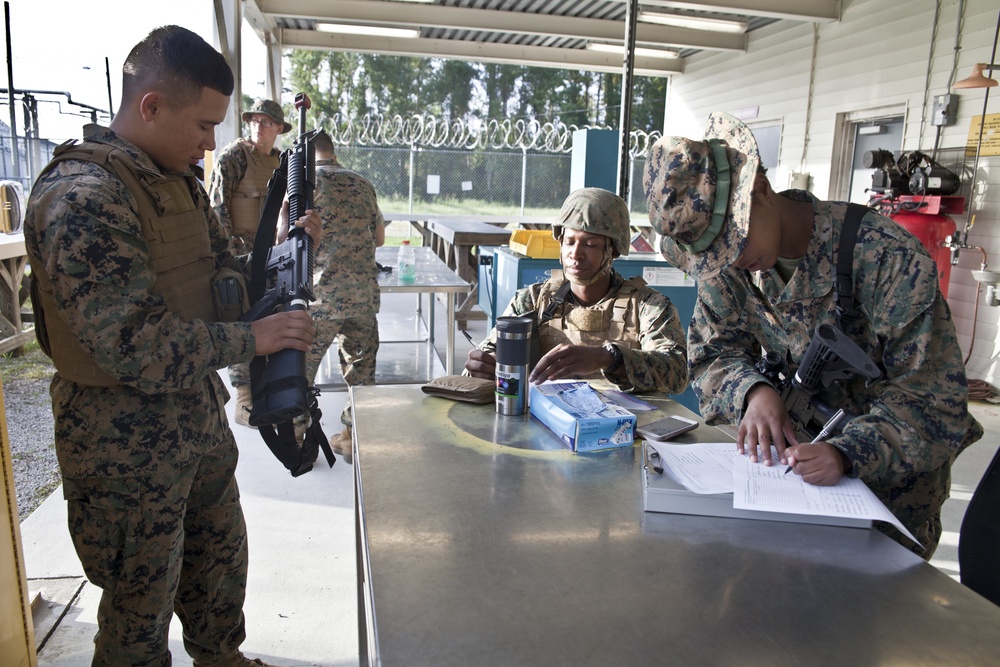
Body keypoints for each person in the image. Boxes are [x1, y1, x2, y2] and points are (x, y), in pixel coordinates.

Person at [23, 26, 321, 666]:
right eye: (204, 124)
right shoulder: (83, 198)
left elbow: (222, 282)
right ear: (151, 105)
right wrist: (253, 338)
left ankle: (221, 657)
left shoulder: (173, 182)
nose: (212, 141)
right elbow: (133, 343)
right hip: (122, 442)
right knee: (139, 607)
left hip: (193, 419)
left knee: (217, 564)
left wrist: (284, 255)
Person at [642, 111, 983, 557]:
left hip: (888, 495)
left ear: (759, 190)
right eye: (715, 255)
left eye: (735, 243)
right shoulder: (726, 261)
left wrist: (847, 453)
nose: (729, 262)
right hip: (786, 483)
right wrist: (753, 392)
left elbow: (934, 402)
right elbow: (711, 353)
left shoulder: (885, 257)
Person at [465, 187, 688, 395]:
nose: (576, 254)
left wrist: (609, 358)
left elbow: (677, 373)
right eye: (569, 242)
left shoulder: (648, 307)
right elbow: (480, 365)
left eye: (590, 244)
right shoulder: (532, 301)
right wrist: (481, 367)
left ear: (613, 251)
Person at [298, 129, 385, 464]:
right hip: (362, 296)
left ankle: (299, 442)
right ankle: (350, 437)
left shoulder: (304, 185)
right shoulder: (362, 182)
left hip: (321, 298)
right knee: (360, 371)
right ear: (333, 152)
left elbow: (286, 238)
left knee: (300, 370)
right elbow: (378, 238)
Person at [208, 98, 292, 426]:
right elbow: (217, 206)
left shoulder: (281, 163)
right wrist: (226, 256)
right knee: (243, 319)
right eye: (255, 121)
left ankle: (265, 388)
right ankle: (244, 395)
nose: (259, 126)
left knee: (270, 318)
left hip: (270, 255)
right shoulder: (234, 156)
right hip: (238, 254)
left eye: (266, 122)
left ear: (279, 129)